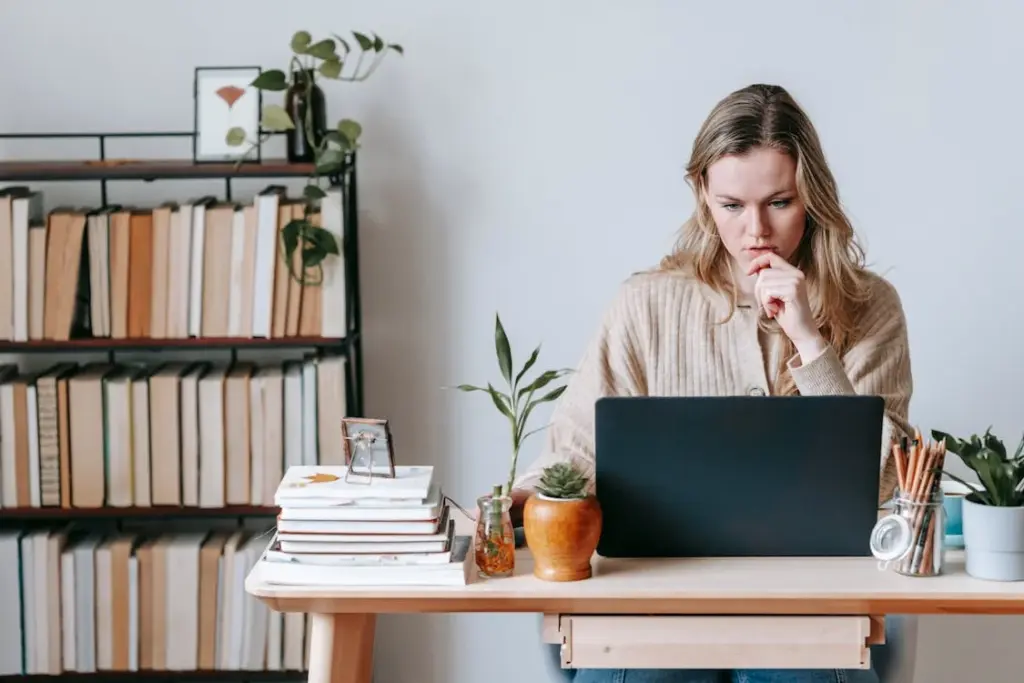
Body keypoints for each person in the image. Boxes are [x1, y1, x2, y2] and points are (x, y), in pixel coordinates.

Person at [507, 83, 914, 683]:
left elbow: (890, 485)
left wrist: (810, 341)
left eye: (779, 202)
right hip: (656, 606)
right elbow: (574, 456)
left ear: (813, 195)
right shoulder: (645, 304)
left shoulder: (870, 305)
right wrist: (501, 510)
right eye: (731, 205)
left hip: (812, 609)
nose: (757, 231)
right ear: (701, 193)